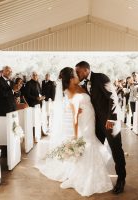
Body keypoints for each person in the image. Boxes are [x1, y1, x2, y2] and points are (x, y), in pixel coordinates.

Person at [36, 67, 113, 197]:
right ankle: (85, 178)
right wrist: (76, 136)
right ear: (71, 78)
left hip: (91, 119)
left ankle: (90, 175)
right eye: (75, 74)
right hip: (84, 123)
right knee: (87, 145)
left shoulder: (80, 85)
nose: (78, 75)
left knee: (91, 143)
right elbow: (75, 117)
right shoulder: (69, 91)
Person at [76, 61, 126, 194]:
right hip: (97, 123)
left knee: (116, 150)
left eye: (78, 71)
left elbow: (113, 98)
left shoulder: (101, 77)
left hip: (110, 121)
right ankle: (96, 178)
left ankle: (121, 179)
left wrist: (111, 118)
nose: (77, 74)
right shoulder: (84, 84)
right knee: (95, 149)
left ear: (86, 70)